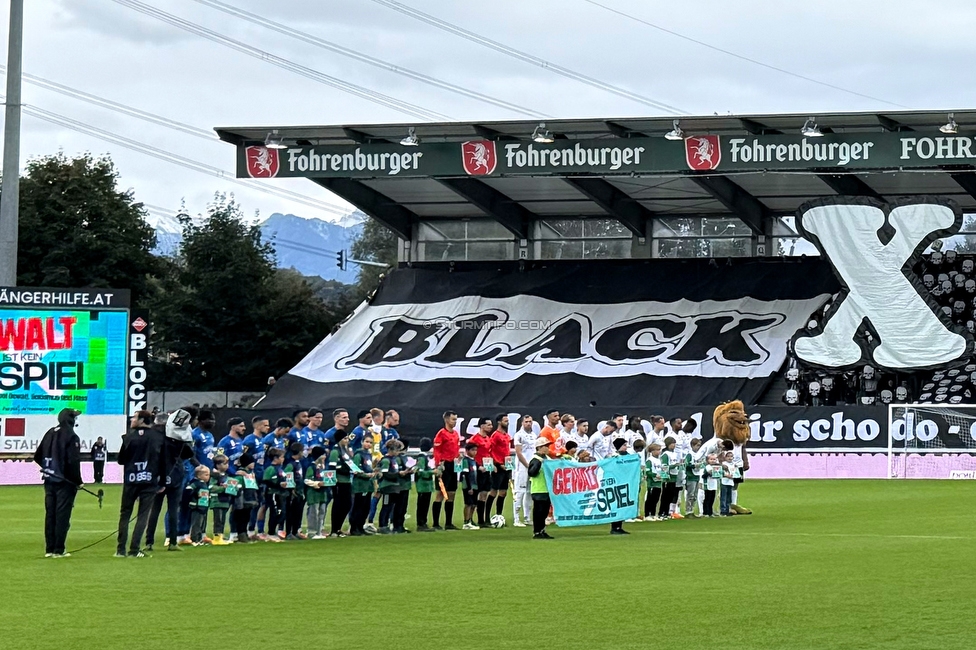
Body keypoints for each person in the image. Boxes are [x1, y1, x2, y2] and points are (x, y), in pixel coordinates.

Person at [34, 408, 83, 558]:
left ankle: (49, 549)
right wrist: (78, 481)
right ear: (71, 419)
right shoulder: (71, 436)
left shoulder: (50, 432)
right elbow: (73, 461)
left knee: (50, 515)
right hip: (64, 482)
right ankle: (59, 549)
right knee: (62, 515)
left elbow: (38, 456)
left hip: (49, 480)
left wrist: (50, 469)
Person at [145, 408, 195, 552]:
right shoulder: (177, 437)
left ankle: (149, 542)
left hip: (158, 475)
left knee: (154, 510)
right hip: (175, 474)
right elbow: (188, 453)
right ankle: (173, 541)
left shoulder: (153, 437)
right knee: (173, 509)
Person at [115, 411, 164, 558]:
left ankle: (120, 549)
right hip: (149, 480)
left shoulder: (129, 437)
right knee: (142, 515)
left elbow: (121, 459)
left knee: (125, 514)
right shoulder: (158, 437)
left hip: (131, 479)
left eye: (135, 417)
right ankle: (134, 549)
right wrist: (162, 481)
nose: (132, 419)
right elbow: (163, 461)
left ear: (142, 420)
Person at [241, 416, 270, 538]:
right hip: (251, 477)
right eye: (265, 425)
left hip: (260, 475)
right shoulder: (249, 440)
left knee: (260, 504)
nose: (268, 427)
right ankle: (247, 530)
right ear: (257, 426)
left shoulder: (263, 440)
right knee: (250, 503)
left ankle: (257, 530)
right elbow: (243, 458)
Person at [432, 411, 460, 530]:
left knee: (452, 493)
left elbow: (456, 449)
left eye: (456, 419)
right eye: (453, 419)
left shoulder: (455, 434)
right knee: (440, 493)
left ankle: (449, 523)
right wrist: (438, 465)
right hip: (444, 465)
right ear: (447, 420)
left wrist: (458, 456)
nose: (455, 422)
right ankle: (436, 523)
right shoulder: (441, 434)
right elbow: (437, 451)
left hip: (453, 465)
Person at [327, 429, 354, 537]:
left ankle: (338, 528)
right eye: (345, 438)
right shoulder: (335, 451)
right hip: (338, 481)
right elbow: (333, 467)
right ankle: (334, 529)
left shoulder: (345, 450)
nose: (347, 440)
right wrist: (347, 470)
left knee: (347, 504)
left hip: (346, 480)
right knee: (338, 504)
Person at [468, 417, 493, 528]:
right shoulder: (474, 439)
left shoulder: (488, 438)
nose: (491, 427)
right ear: (482, 426)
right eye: (488, 425)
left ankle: (481, 520)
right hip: (478, 470)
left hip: (487, 469)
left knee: (484, 494)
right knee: (475, 495)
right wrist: (478, 467)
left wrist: (492, 466)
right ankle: (469, 519)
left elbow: (488, 454)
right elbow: (470, 455)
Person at [350, 435, 377, 536]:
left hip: (368, 485)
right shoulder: (358, 454)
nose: (368, 444)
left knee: (366, 507)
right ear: (362, 442)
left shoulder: (369, 455)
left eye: (370, 443)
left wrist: (374, 472)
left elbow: (368, 468)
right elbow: (355, 470)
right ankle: (354, 528)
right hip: (360, 485)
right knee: (358, 507)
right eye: (367, 442)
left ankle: (361, 527)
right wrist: (366, 475)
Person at [513, 415, 536, 528]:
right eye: (526, 421)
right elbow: (518, 452)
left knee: (529, 492)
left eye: (530, 422)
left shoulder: (533, 435)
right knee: (520, 491)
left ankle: (527, 517)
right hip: (522, 467)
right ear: (522, 423)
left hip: (532, 466)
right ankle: (516, 518)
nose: (528, 424)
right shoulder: (519, 435)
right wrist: (527, 465)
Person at [527, 437, 553, 539]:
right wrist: (539, 463)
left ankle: (542, 530)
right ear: (539, 448)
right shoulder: (535, 460)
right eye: (545, 446)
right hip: (538, 489)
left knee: (545, 511)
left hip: (547, 489)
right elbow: (531, 473)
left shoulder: (548, 459)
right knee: (539, 511)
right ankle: (537, 531)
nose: (547, 448)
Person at [487, 413, 511, 521]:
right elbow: (490, 450)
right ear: (499, 422)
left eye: (507, 420)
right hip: (498, 466)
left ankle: (499, 515)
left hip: (506, 466)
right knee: (493, 491)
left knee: (503, 492)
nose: (507, 422)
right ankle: (486, 516)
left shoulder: (506, 435)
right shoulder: (495, 435)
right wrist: (498, 463)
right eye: (505, 420)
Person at [232, 453, 260, 543]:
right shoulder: (240, 474)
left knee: (247, 517)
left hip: (249, 498)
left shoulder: (250, 473)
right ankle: (241, 534)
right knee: (241, 517)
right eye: (252, 462)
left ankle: (244, 533)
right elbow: (237, 485)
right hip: (242, 499)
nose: (254, 464)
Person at [261, 448, 288, 542]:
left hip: (281, 494)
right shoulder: (270, 468)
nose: (283, 459)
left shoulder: (280, 468)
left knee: (282, 513)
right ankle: (270, 533)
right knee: (275, 513)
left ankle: (273, 532)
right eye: (282, 457)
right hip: (273, 494)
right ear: (275, 458)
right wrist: (278, 485)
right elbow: (266, 480)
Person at [304, 447, 330, 539]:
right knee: (313, 512)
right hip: (313, 493)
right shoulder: (311, 467)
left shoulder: (323, 467)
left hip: (323, 493)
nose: (325, 457)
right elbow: (307, 480)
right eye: (323, 455)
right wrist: (317, 483)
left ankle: (319, 532)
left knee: (322, 512)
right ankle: (311, 532)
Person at [283, 442, 307, 540]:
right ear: (299, 452)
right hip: (293, 493)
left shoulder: (298, 463)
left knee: (298, 512)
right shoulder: (290, 464)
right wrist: (291, 489)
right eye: (302, 451)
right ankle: (289, 532)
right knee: (291, 513)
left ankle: (295, 531)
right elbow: (287, 476)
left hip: (300, 492)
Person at [376, 440, 402, 533]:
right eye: (397, 450)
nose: (398, 452)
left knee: (390, 506)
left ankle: (386, 525)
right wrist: (398, 474)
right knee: (386, 506)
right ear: (391, 449)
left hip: (393, 486)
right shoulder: (386, 460)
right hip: (387, 487)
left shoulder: (393, 459)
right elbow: (386, 474)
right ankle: (382, 526)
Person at [209, 455, 234, 545]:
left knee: (222, 519)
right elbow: (211, 487)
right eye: (225, 463)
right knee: (218, 520)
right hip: (217, 501)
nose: (227, 465)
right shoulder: (215, 476)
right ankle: (216, 538)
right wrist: (223, 489)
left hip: (225, 501)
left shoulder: (226, 475)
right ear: (218, 465)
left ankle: (221, 536)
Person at [414, 437, 437, 532]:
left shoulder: (424, 457)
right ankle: (421, 523)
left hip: (426, 486)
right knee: (422, 505)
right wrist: (432, 472)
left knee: (424, 504)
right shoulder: (422, 458)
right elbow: (420, 472)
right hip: (423, 485)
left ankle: (423, 522)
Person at [609, 438, 631, 535]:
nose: (626, 447)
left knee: (623, 504)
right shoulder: (614, 456)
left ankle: (620, 526)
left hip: (625, 482)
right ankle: (614, 527)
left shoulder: (629, 456)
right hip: (616, 483)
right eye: (624, 445)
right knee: (616, 504)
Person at [393, 440, 414, 533]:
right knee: (399, 506)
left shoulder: (405, 457)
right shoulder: (397, 458)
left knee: (403, 506)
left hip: (405, 484)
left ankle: (400, 525)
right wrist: (405, 472)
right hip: (400, 484)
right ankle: (396, 525)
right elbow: (397, 471)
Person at [187, 465, 211, 545]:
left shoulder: (204, 484)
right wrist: (196, 494)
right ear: (199, 475)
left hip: (204, 506)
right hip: (197, 506)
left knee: (202, 524)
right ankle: (194, 539)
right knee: (196, 523)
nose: (208, 477)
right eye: (206, 475)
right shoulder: (196, 483)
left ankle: (200, 538)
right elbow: (189, 489)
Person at [459, 442, 481, 530]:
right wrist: (469, 487)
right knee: (468, 503)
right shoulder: (465, 460)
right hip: (468, 486)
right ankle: (466, 522)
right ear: (467, 451)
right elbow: (465, 474)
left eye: (476, 450)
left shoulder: (473, 461)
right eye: (472, 450)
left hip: (475, 485)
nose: (475, 452)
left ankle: (470, 520)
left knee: (474, 504)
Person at [659, 436, 680, 520]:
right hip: (668, 477)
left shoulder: (675, 454)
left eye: (674, 443)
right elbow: (664, 466)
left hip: (674, 476)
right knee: (665, 496)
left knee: (671, 496)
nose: (674, 445)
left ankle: (667, 512)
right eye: (672, 444)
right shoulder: (665, 454)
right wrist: (674, 466)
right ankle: (662, 512)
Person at [644, 443, 664, 521]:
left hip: (658, 483)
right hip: (652, 483)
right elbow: (648, 472)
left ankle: (653, 514)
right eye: (657, 450)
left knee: (656, 499)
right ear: (652, 451)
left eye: (659, 450)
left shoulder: (659, 460)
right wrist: (655, 475)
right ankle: (647, 515)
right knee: (650, 499)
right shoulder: (650, 460)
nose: (659, 452)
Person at [684, 438, 703, 518]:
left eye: (699, 445)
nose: (698, 447)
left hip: (697, 476)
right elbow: (686, 465)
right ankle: (688, 511)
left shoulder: (699, 454)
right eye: (697, 445)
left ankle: (692, 510)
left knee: (695, 495)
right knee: (690, 494)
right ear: (692, 445)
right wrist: (694, 466)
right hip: (691, 476)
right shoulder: (689, 455)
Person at [720, 450, 739, 517]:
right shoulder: (723, 464)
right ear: (725, 457)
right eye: (728, 456)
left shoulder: (734, 464)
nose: (730, 458)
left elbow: (736, 473)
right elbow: (720, 473)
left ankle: (728, 510)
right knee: (723, 497)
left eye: (731, 456)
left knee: (729, 497)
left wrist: (736, 475)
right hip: (724, 482)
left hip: (730, 483)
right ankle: (723, 510)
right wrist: (726, 475)